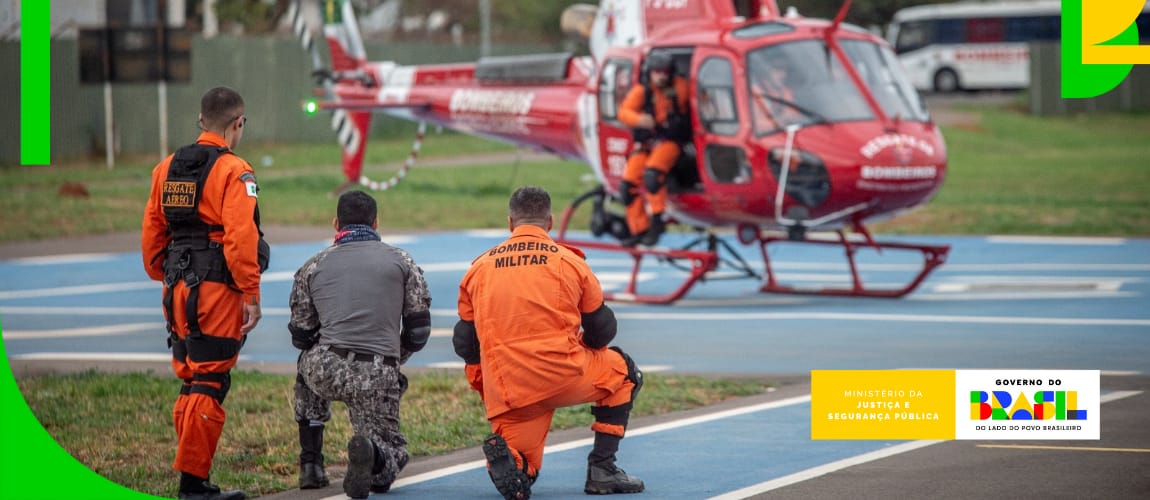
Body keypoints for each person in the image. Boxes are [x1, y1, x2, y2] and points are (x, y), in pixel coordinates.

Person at [454, 186, 645, 499]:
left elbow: (464, 341)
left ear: (510, 222)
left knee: (524, 472)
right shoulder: (570, 261)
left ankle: (512, 462)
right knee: (623, 371)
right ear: (551, 221)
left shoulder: (479, 268)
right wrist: (587, 348)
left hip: (510, 388)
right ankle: (603, 469)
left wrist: (484, 381)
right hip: (564, 374)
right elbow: (602, 328)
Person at [141, 86, 269, 500]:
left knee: (192, 377)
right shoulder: (236, 172)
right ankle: (193, 486)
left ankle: (193, 478)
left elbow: (152, 235)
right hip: (215, 290)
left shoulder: (165, 168)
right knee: (211, 381)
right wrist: (250, 292)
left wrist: (168, 274)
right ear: (238, 123)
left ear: (200, 121)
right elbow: (240, 237)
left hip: (176, 287)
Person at [288, 190, 432, 499]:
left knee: (305, 364)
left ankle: (311, 465)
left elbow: (300, 334)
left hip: (327, 369)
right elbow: (419, 331)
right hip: (377, 372)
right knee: (389, 461)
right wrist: (393, 357)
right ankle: (374, 455)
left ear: (336, 223)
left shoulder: (312, 266)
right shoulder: (402, 260)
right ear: (376, 223)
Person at [616, 52, 691, 247]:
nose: (661, 76)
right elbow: (624, 112)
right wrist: (639, 120)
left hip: (671, 142)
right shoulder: (642, 92)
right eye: (657, 71)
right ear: (649, 72)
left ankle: (657, 222)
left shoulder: (680, 88)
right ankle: (639, 228)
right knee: (627, 185)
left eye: (665, 71)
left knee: (652, 176)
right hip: (647, 144)